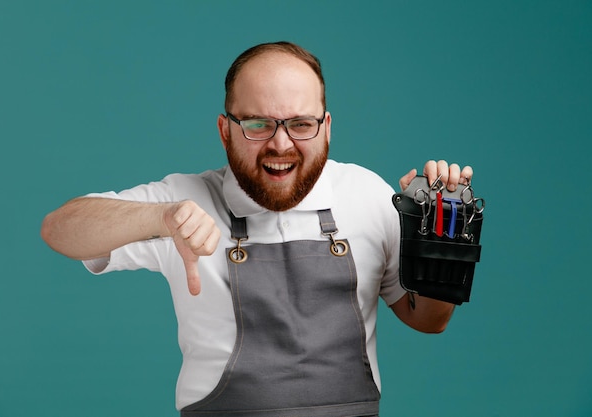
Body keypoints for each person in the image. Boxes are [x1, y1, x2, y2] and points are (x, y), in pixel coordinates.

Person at [41, 41, 474, 417]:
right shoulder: (186, 201)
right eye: (257, 124)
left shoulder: (367, 195)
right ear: (225, 131)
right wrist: (160, 218)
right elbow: (59, 228)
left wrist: (439, 240)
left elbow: (428, 321)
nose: (280, 144)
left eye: (300, 124)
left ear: (326, 128)